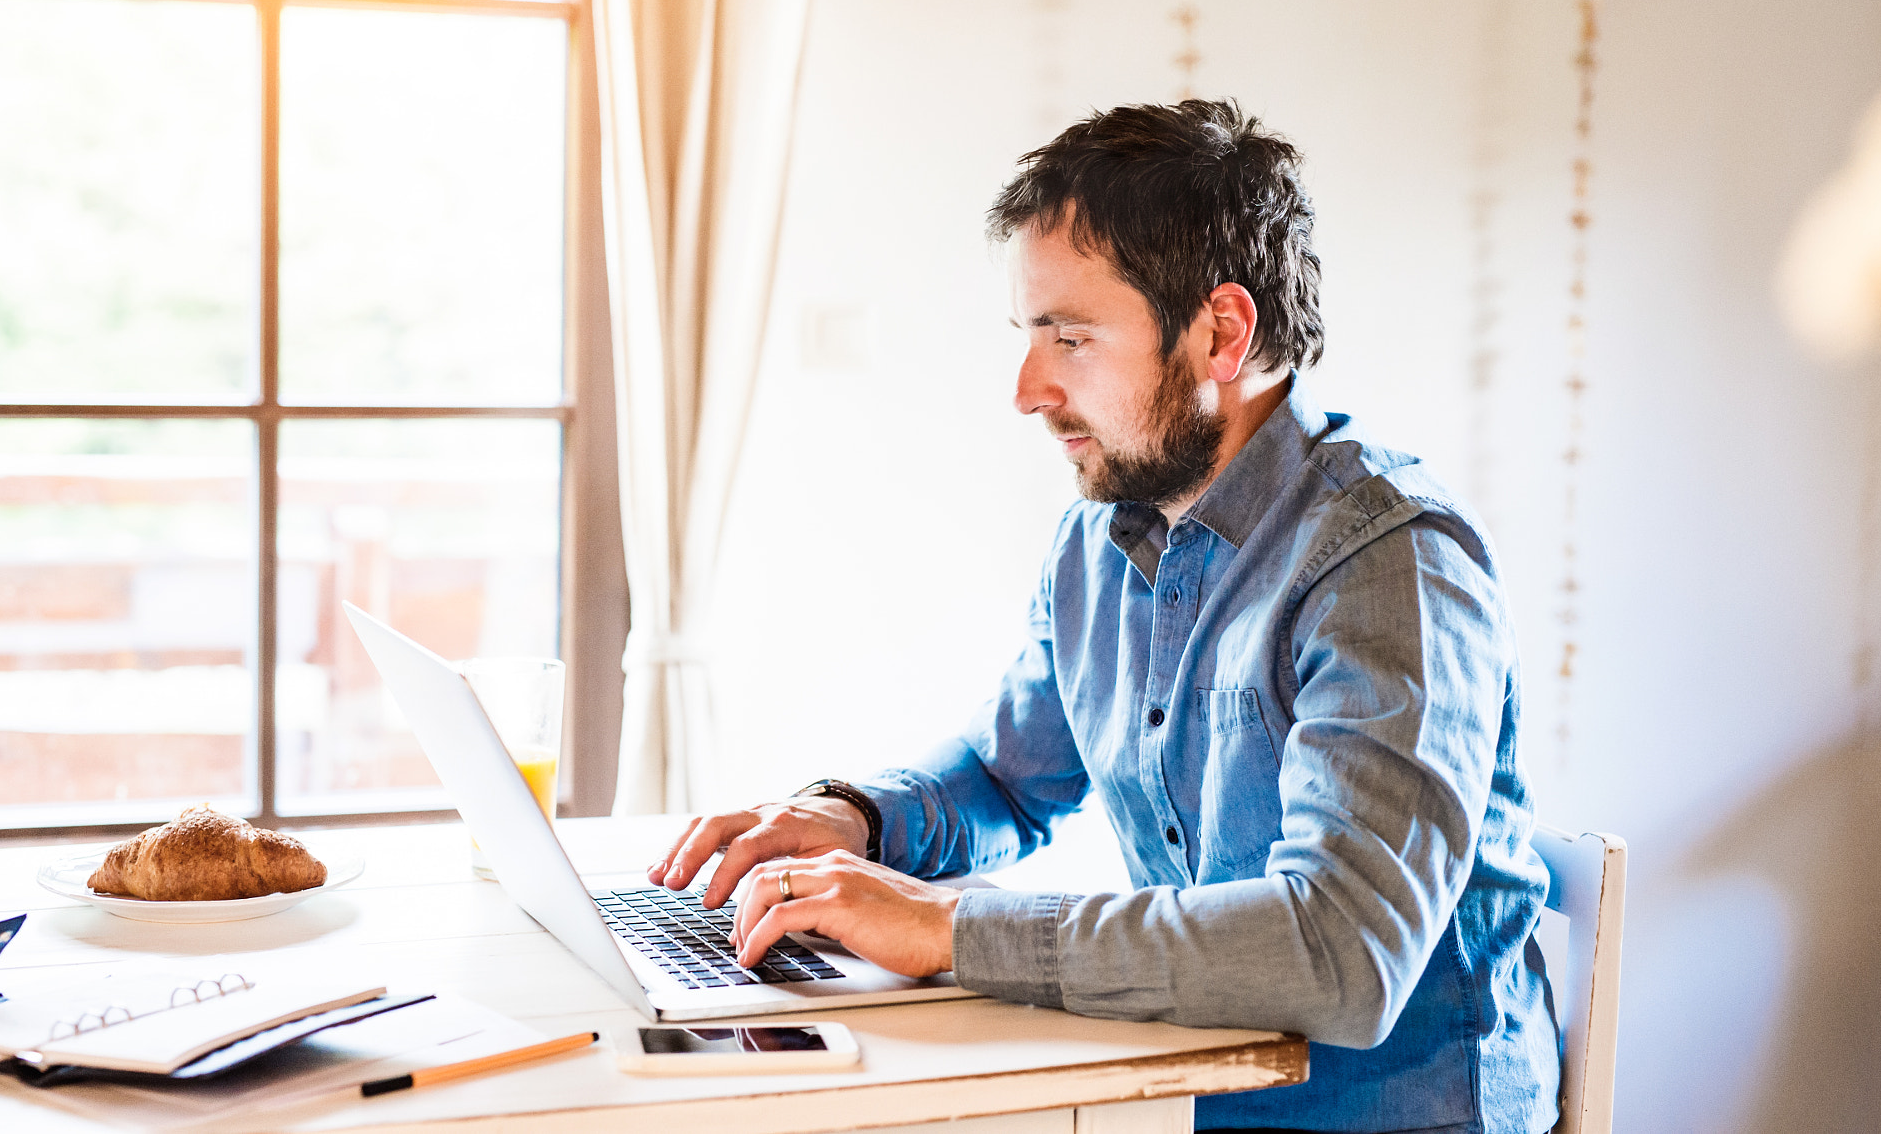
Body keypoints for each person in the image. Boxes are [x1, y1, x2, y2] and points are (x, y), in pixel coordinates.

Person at [648, 100, 1560, 1134]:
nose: (1029, 389)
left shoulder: (1387, 562)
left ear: (1222, 331)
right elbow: (1006, 778)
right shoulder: (1101, 541)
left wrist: (948, 925)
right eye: (1031, 338)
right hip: (1176, 1096)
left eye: (1070, 338)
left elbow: (1337, 952)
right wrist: (851, 819)